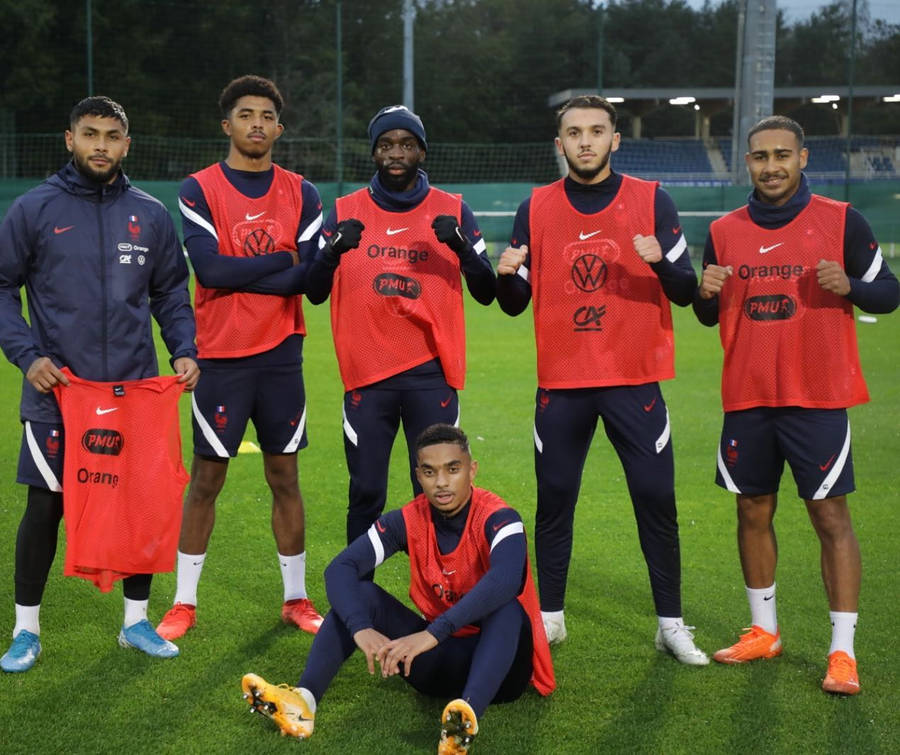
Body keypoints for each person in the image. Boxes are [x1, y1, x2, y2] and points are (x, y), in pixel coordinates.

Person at [495, 94, 707, 664]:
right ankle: (552, 619)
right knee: (555, 499)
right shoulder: (535, 206)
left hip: (633, 379)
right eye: (573, 132)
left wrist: (660, 260)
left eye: (595, 131)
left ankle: (670, 624)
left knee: (656, 498)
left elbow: (686, 290)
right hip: (562, 382)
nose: (584, 141)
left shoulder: (651, 200)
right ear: (559, 143)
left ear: (615, 140)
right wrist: (506, 276)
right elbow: (516, 303)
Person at [693, 115, 899, 694]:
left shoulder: (841, 221)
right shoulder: (724, 229)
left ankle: (842, 650)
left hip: (818, 397)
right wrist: (704, 295)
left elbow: (890, 292)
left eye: (783, 155)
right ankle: (764, 630)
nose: (772, 166)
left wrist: (852, 286)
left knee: (829, 516)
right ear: (748, 163)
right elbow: (709, 312)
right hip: (748, 397)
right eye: (760, 156)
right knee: (752, 512)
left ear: (803, 158)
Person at [0, 95, 199, 671]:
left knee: (139, 505)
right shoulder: (35, 209)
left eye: (112, 136)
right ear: (70, 139)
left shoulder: (150, 213)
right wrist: (27, 355)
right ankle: (25, 630)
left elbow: (170, 293)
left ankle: (135, 622)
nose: (101, 146)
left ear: (127, 145)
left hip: (135, 395)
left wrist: (183, 349)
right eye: (91, 134)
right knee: (46, 506)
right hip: (57, 392)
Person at [241, 424, 554, 753]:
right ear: (419, 475)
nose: (442, 482)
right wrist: (360, 628)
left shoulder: (500, 518)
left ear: (472, 470)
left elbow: (506, 580)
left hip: (503, 671)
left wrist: (433, 632)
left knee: (506, 607)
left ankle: (465, 718)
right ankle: (302, 703)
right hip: (435, 666)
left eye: (453, 469)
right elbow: (341, 569)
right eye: (430, 472)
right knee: (360, 595)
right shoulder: (407, 519)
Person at [155, 75, 323, 641]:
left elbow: (313, 277)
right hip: (221, 357)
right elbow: (212, 271)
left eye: (267, 115)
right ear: (227, 125)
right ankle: (183, 603)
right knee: (206, 479)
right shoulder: (199, 188)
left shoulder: (303, 192)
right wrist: (282, 262)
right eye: (246, 114)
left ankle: (297, 599)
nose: (257, 124)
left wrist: (278, 271)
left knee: (285, 476)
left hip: (281, 355)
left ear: (279, 126)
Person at [304, 105, 496, 547]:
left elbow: (486, 291)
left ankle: (439, 598)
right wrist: (331, 252)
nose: (396, 153)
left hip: (431, 376)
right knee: (367, 492)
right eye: (386, 145)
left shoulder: (453, 211)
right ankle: (357, 602)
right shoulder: (345, 212)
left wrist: (461, 246)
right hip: (368, 377)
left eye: (407, 144)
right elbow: (313, 292)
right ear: (374, 153)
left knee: (437, 494)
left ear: (422, 152)